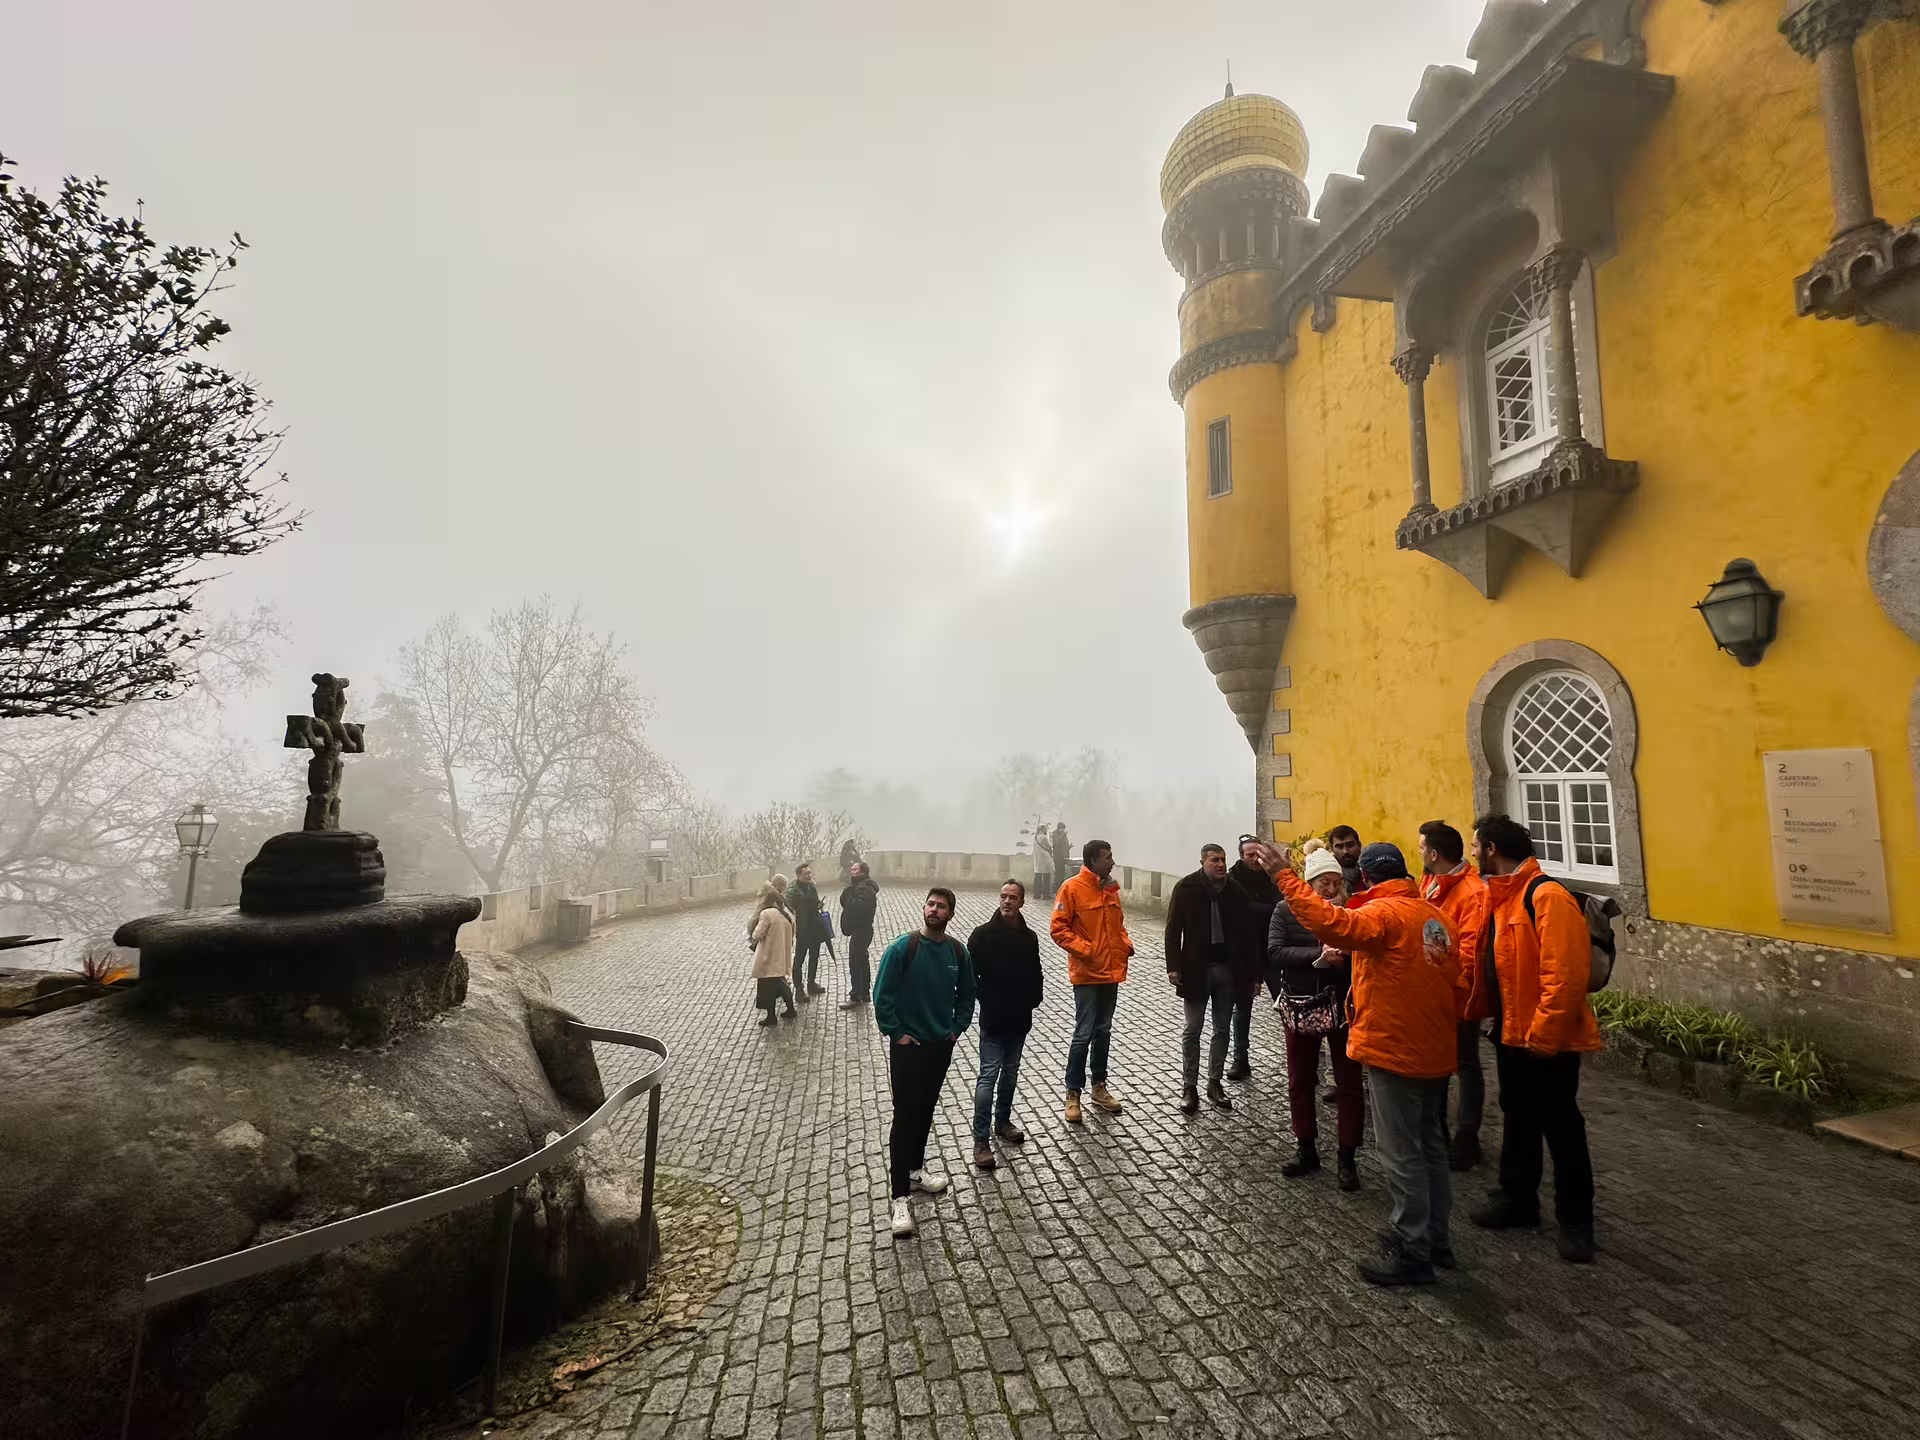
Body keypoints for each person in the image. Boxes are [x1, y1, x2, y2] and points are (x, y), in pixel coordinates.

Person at [1256, 838, 1464, 1287]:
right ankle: (1436, 1239)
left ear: (1364, 877)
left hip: (1395, 1047)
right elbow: (1454, 977)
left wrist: (1283, 876)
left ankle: (1412, 1251)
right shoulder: (1438, 916)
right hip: (1436, 1047)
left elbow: (1331, 924)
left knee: (1401, 1151)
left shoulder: (1382, 915)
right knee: (1430, 1147)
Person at [1468, 814, 1602, 1264]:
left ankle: (1576, 1222)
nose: (1471, 853)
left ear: (1491, 848)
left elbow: (1564, 976)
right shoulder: (1503, 897)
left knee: (1561, 1127)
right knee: (1517, 1116)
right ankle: (1517, 1199)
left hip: (1546, 1039)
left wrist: (1544, 1036)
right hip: (1512, 1033)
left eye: (1475, 845)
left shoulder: (1546, 896)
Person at [873, 886, 977, 1238]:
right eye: (931, 904)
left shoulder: (957, 952)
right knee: (904, 1116)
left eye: (941, 906)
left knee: (926, 1110)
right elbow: (882, 995)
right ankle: (899, 1195)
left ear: (950, 914)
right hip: (908, 1047)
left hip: (939, 1046)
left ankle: (915, 1172)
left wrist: (956, 1028)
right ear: (924, 908)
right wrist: (895, 1032)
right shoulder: (903, 948)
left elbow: (967, 994)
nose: (934, 910)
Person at [1268, 843, 1362, 1189]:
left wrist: (1348, 955)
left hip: (1343, 1004)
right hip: (1301, 1002)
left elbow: (1367, 951)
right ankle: (1306, 1147)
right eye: (1323, 880)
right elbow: (1275, 951)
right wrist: (1317, 954)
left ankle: (1347, 1157)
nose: (1331, 887)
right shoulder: (1285, 909)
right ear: (1309, 883)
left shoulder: (1352, 911)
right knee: (1300, 1081)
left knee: (1349, 1083)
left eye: (1335, 880)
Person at [1419, 820, 1494, 1171]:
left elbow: (1469, 953)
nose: (1419, 852)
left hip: (1459, 997)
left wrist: (1442, 981)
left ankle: (1467, 1136)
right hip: (1432, 995)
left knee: (1465, 1065)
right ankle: (1437, 1132)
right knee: (1436, 1067)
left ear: (1435, 854)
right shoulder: (1430, 882)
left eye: (1421, 847)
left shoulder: (1471, 892)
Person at [1165, 844, 1260, 1114]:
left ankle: (1214, 1082)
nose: (1220, 865)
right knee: (1192, 1028)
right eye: (1214, 860)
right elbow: (1173, 930)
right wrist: (1173, 966)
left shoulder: (1235, 890)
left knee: (1222, 1029)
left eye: (1223, 860)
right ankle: (1189, 1086)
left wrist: (1253, 975)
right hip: (1196, 969)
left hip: (1228, 969)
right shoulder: (1186, 888)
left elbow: (1249, 936)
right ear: (1203, 862)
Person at [1051, 838, 1133, 1124]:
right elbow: (1058, 929)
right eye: (1108, 857)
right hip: (1087, 975)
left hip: (1110, 972)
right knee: (1083, 1033)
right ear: (1093, 860)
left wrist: (1125, 945)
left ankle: (1099, 1087)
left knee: (1104, 1030)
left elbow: (1118, 925)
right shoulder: (1072, 888)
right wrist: (1088, 950)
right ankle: (1073, 1093)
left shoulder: (1111, 888)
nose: (1112, 861)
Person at [967, 879, 1043, 1169]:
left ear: (1022, 902)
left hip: (1020, 1018)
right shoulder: (982, 935)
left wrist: (1034, 998)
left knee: (1010, 1074)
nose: (1007, 901)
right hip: (994, 1018)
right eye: (1003, 896)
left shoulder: (1029, 937)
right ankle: (981, 1139)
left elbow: (1036, 971)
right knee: (988, 1077)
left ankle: (1003, 1122)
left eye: (1013, 897)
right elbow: (970, 976)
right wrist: (987, 998)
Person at [748, 879, 800, 1026]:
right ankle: (790, 1009)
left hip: (768, 956)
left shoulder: (767, 914)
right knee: (781, 983)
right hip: (781, 955)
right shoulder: (787, 916)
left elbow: (757, 935)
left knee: (767, 988)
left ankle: (771, 1017)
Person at [838, 860, 881, 1011]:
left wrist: (850, 894)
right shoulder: (858, 886)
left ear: (862, 872)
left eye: (855, 869)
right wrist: (849, 892)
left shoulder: (866, 888)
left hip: (862, 930)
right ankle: (864, 993)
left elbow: (859, 907)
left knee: (856, 963)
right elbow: (845, 901)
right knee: (861, 960)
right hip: (859, 930)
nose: (851, 870)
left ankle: (856, 995)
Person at [786, 863, 826, 1001]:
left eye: (810, 873)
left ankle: (811, 983)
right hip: (802, 928)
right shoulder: (793, 890)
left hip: (814, 926)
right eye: (806, 874)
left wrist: (818, 904)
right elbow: (792, 907)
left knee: (814, 956)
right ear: (798, 876)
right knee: (799, 959)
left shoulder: (812, 886)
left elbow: (813, 901)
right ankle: (798, 988)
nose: (809, 876)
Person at [1327, 825, 1367, 895]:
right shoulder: (1327, 875)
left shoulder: (1371, 869)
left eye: (1350, 845)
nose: (1345, 851)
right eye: (1339, 847)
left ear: (1359, 845)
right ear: (1332, 849)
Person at [1031, 832, 1056, 900]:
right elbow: (1050, 845)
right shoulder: (1044, 837)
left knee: (1037, 877)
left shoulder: (1035, 837)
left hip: (1037, 858)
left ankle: (1037, 894)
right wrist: (1051, 838)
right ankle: (1046, 895)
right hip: (1044, 858)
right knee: (1046, 877)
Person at [1049, 822, 1072, 890]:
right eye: (1062, 829)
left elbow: (1063, 845)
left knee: (1062, 873)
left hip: (1063, 857)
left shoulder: (1063, 835)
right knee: (1058, 873)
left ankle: (1061, 887)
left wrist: (1069, 847)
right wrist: (1063, 835)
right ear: (1059, 828)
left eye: (1064, 829)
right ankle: (1056, 888)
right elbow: (1056, 842)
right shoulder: (1055, 834)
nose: (1063, 830)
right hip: (1058, 857)